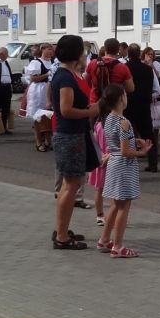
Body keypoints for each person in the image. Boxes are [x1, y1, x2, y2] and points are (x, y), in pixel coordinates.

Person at [51, 34, 99, 250]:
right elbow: (66, 110)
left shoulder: (69, 74)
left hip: (73, 134)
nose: (85, 54)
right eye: (83, 50)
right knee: (70, 185)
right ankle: (62, 236)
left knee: (70, 185)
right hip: (69, 135)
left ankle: (62, 229)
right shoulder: (65, 77)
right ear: (76, 54)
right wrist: (91, 111)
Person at [98, 84, 151, 257]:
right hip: (124, 167)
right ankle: (118, 246)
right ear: (122, 99)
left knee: (115, 204)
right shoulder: (124, 122)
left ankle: (105, 239)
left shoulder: (109, 118)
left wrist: (134, 141)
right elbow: (126, 151)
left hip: (114, 163)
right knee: (124, 206)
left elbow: (117, 143)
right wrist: (142, 152)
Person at [123, 44, 159, 172]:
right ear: (139, 54)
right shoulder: (147, 69)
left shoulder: (125, 68)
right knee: (148, 134)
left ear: (128, 54)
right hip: (143, 105)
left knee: (127, 135)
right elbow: (152, 87)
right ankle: (153, 163)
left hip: (128, 105)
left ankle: (127, 164)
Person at [25, 43, 56, 151]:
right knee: (38, 117)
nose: (51, 51)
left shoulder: (53, 62)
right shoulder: (36, 62)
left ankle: (48, 141)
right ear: (42, 49)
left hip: (49, 89)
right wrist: (48, 74)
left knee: (48, 116)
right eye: (49, 49)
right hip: (38, 90)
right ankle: (39, 142)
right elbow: (33, 78)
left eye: (51, 49)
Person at [0, 46, 15, 135]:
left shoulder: (6, 62)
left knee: (6, 109)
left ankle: (4, 127)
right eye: (7, 55)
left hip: (7, 88)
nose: (7, 56)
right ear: (2, 54)